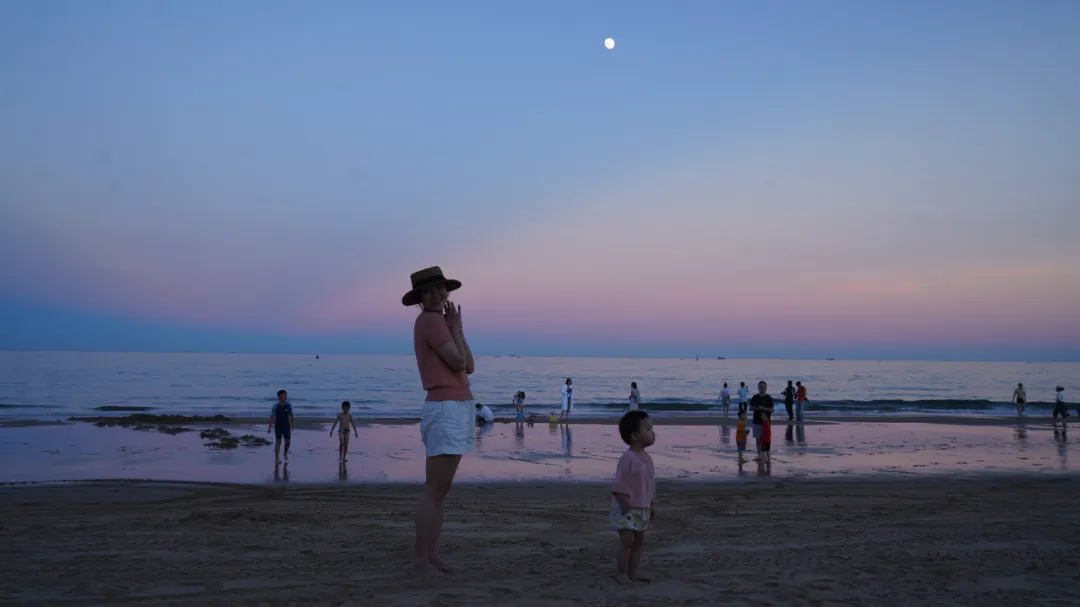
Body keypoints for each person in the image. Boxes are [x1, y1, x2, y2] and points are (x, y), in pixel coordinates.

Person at [403, 266, 475, 576]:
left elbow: (469, 365)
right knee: (435, 490)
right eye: (429, 291)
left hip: (455, 406)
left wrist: (457, 328)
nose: (437, 294)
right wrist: (452, 327)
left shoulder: (441, 322)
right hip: (445, 406)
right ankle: (422, 559)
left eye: (441, 288)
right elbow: (457, 361)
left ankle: (432, 556)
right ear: (420, 298)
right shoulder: (429, 320)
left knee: (441, 490)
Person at [610, 410, 656, 584]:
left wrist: (652, 504)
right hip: (626, 507)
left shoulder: (647, 459)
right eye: (648, 429)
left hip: (642, 506)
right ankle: (621, 573)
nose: (653, 433)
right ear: (635, 435)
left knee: (639, 542)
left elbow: (650, 484)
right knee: (627, 541)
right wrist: (623, 501)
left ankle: (633, 571)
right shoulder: (627, 458)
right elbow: (620, 483)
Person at [266, 389, 294, 464]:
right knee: (278, 442)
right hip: (278, 426)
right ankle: (277, 458)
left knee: (288, 442)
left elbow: (291, 415)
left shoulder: (288, 405)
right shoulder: (276, 406)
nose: (285, 397)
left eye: (286, 395)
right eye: (284, 395)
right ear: (279, 396)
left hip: (286, 426)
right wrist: (269, 427)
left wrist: (292, 425)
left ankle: (285, 453)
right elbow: (272, 417)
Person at [748, 381, 774, 456]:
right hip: (756, 421)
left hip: (766, 422)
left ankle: (766, 455)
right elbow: (750, 408)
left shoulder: (769, 398)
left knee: (765, 439)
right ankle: (759, 454)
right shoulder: (755, 397)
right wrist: (756, 408)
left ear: (766, 388)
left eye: (764, 387)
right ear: (758, 388)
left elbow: (772, 410)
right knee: (758, 439)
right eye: (760, 387)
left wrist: (763, 408)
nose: (762, 388)